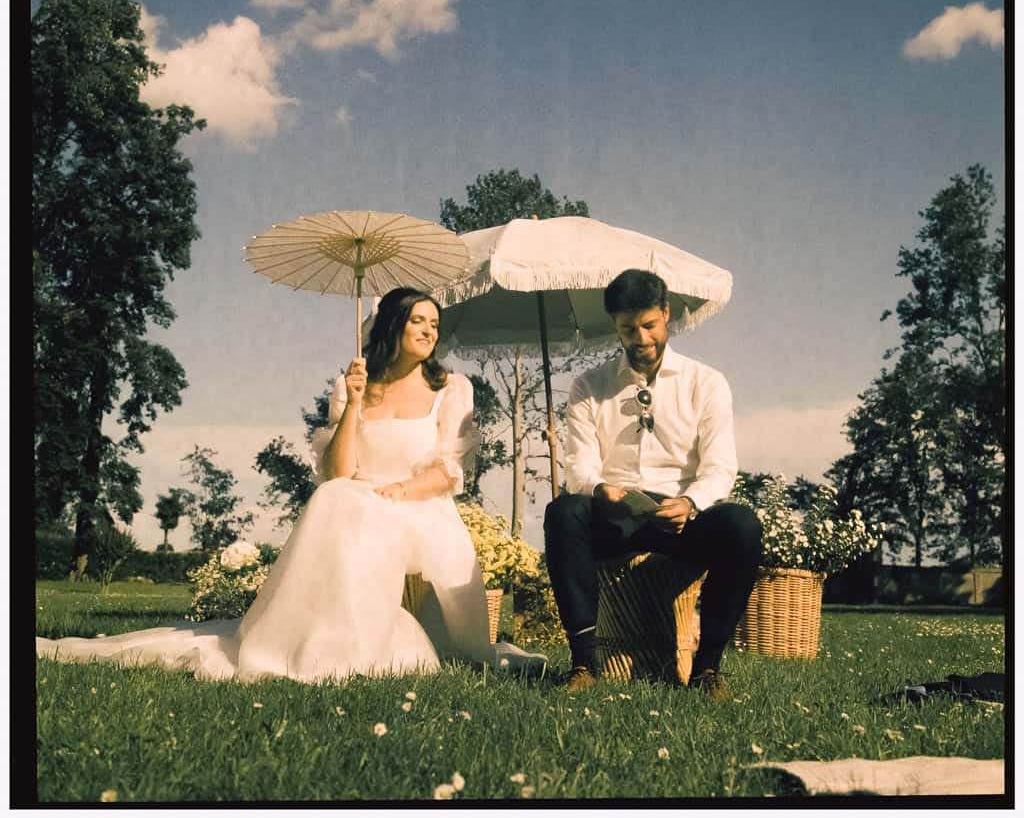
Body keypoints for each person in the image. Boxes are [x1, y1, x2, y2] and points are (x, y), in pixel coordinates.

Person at [38, 287, 546, 682]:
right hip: (357, 498)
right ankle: (311, 641)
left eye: (435, 323)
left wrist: (396, 494)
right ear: (393, 325)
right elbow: (338, 471)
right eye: (418, 320)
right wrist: (353, 404)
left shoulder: (450, 389)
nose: (430, 330)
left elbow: (449, 472)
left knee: (353, 505)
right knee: (334, 495)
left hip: (419, 506)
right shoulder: (352, 384)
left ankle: (357, 641)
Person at [543, 269, 762, 697]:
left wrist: (690, 503)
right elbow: (579, 467)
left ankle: (707, 671)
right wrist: (600, 489)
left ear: (666, 314)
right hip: (615, 515)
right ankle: (583, 664)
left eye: (649, 325)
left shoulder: (706, 382)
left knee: (742, 525)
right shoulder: (589, 386)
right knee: (563, 512)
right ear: (615, 325)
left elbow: (720, 467)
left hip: (682, 518)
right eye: (628, 329)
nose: (641, 338)